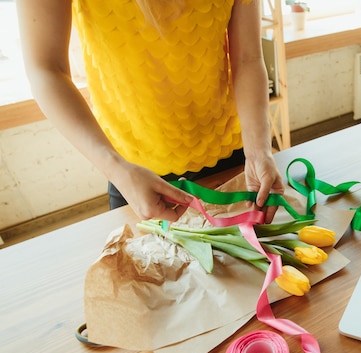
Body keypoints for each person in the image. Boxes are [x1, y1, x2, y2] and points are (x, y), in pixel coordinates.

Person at [17, 0, 284, 223]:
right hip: (133, 173)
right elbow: (46, 69)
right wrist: (117, 169)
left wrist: (259, 149)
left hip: (235, 158)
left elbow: (248, 57)